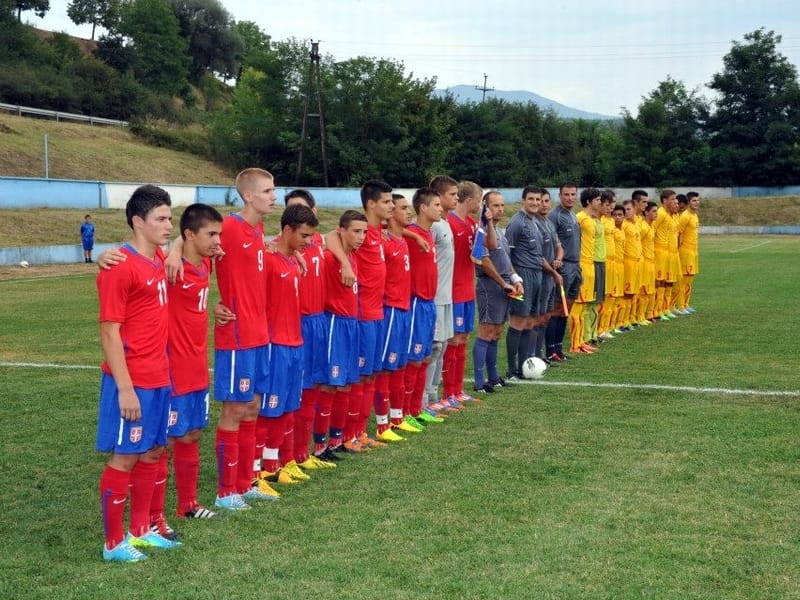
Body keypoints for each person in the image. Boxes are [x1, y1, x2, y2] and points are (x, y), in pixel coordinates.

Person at [96, 184, 180, 562]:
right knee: (126, 456)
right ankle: (113, 544)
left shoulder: (159, 256)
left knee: (155, 451)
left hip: (160, 374)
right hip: (132, 380)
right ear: (137, 221)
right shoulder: (120, 267)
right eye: (161, 218)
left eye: (169, 216)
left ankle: (141, 530)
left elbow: (182, 244)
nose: (169, 224)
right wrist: (125, 389)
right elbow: (109, 331)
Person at [207, 168, 279, 509]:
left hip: (259, 332)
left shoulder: (257, 228)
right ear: (248, 195)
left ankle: (245, 481)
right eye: (266, 191)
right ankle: (225, 491)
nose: (273, 196)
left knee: (252, 406)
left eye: (273, 190)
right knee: (234, 409)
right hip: (235, 333)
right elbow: (189, 242)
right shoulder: (230, 227)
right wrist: (176, 252)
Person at [154, 204, 224, 535]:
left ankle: (188, 505)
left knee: (193, 433)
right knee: (165, 441)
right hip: (172, 367)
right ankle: (155, 516)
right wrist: (173, 251)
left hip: (198, 365)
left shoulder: (207, 263)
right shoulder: (171, 267)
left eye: (218, 234)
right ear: (189, 235)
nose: (216, 240)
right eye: (211, 234)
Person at [325, 180, 395, 450]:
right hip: (361, 314)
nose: (390, 206)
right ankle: (346, 435)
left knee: (371, 376)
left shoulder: (376, 232)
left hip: (378, 313)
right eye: (386, 202)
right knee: (358, 377)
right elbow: (330, 237)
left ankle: (359, 433)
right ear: (371, 204)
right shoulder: (356, 230)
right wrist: (344, 264)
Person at [255, 204, 320, 487]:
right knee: (268, 409)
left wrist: (297, 254)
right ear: (287, 230)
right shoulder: (268, 260)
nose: (309, 242)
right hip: (274, 345)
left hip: (295, 343)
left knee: (287, 407)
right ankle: (256, 471)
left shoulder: (293, 260)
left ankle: (273, 465)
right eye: (304, 236)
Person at [282, 189, 338, 470]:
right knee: (296, 390)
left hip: (318, 321)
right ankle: (287, 456)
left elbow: (338, 236)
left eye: (303, 208)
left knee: (315, 385)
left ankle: (306, 452)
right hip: (296, 324)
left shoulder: (318, 241)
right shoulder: (278, 249)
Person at [315, 210, 367, 456]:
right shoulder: (329, 258)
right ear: (342, 231)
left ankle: (336, 440)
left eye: (364, 232)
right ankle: (319, 445)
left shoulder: (351, 257)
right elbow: (326, 236)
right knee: (329, 385)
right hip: (334, 323)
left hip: (351, 324)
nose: (361, 237)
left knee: (346, 383)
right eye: (356, 231)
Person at [443, 180, 494, 402]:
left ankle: (457, 390)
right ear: (470, 199)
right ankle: (447, 393)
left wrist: (489, 223)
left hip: (467, 290)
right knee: (452, 340)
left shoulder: (474, 224)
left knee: (463, 338)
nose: (481, 203)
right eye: (480, 198)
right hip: (451, 291)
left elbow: (488, 247)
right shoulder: (449, 223)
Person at [473, 190, 523, 392]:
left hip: (504, 285)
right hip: (490, 285)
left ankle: (493, 377)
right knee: (486, 331)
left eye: (502, 205)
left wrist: (514, 278)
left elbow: (505, 261)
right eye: (495, 205)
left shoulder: (498, 231)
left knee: (496, 332)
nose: (500, 209)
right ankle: (479, 382)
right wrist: (502, 284)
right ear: (485, 208)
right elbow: (484, 261)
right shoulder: (482, 231)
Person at [404, 188, 443, 421]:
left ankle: (417, 408)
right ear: (423, 208)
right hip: (416, 302)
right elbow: (395, 229)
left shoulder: (429, 233)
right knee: (415, 358)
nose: (440, 209)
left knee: (426, 356)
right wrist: (415, 236)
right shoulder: (413, 232)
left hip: (429, 303)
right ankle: (405, 412)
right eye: (436, 205)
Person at [505, 186, 548, 378]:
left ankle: (524, 366)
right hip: (523, 276)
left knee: (530, 321)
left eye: (538, 200)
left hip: (537, 275)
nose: (535, 203)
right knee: (518, 321)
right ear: (523, 200)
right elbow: (507, 254)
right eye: (531, 199)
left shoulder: (535, 222)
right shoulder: (517, 222)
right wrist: (514, 278)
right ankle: (512, 368)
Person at [424, 176, 458, 413]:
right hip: (434, 297)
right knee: (433, 348)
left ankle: (434, 396)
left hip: (447, 297)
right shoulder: (433, 226)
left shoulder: (444, 223)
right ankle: (425, 400)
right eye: (452, 194)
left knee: (443, 346)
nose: (456, 198)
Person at [545, 183, 581, 362]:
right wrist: (555, 266)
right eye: (566, 194)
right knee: (556, 309)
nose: (569, 198)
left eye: (573, 194)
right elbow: (551, 242)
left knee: (566, 310)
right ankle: (551, 349)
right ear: (559, 196)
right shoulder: (555, 216)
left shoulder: (573, 215)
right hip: (563, 267)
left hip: (576, 266)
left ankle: (558, 348)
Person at [569, 187, 603, 354]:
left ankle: (581, 341)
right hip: (582, 264)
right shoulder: (580, 218)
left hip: (590, 265)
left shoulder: (591, 219)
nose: (600, 203)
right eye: (597, 200)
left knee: (583, 307)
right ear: (589, 201)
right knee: (577, 306)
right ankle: (574, 345)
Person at [652, 189, 681, 321]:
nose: (675, 201)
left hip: (670, 253)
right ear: (664, 201)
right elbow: (652, 229)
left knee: (668, 282)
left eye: (675, 199)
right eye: (672, 199)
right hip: (660, 252)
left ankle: (665, 308)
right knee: (659, 282)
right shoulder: (661, 214)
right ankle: (655, 311)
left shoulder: (671, 215)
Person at [677, 191, 700, 314]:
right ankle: (680, 306)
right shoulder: (684, 216)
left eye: (697, 200)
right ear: (689, 202)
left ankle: (686, 304)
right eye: (694, 200)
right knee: (683, 280)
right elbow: (679, 234)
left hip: (693, 251)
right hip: (685, 251)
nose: (697, 203)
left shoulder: (695, 216)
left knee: (690, 280)